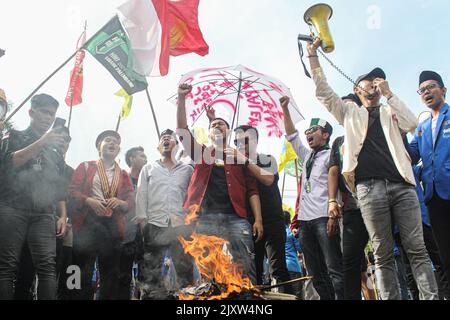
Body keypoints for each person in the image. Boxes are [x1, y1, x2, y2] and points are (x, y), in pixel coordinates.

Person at [305, 38, 438, 299]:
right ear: (358, 88)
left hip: (403, 187)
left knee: (417, 249)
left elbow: (413, 124)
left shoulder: (391, 111)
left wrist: (389, 94)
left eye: (379, 80)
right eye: (370, 80)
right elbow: (323, 92)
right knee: (382, 253)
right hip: (368, 189)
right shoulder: (350, 113)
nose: (375, 83)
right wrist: (312, 56)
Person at [176, 83, 263, 284]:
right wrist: (182, 98)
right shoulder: (200, 152)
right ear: (208, 133)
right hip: (205, 218)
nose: (217, 126)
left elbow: (252, 189)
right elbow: (181, 130)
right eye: (213, 125)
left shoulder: (239, 156)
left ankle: (248, 301)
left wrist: (257, 220)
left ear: (229, 132)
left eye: (221, 124)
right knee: (207, 272)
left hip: (237, 218)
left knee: (245, 268)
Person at [0, 93, 67, 300]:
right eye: (44, 112)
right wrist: (42, 142)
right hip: (13, 207)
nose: (48, 118)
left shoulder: (55, 151)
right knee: (7, 266)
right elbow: (9, 163)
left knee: (47, 266)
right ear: (31, 112)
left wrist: (62, 215)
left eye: (52, 114)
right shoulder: (14, 135)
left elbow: (58, 187)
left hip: (44, 213)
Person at [280, 96, 344, 300]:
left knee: (334, 268)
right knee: (316, 272)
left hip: (324, 218)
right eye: (306, 131)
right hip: (305, 222)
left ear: (325, 135)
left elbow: (336, 186)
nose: (308, 134)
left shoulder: (332, 155)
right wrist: (285, 109)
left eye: (313, 131)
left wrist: (333, 215)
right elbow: (291, 135)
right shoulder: (306, 156)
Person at [69, 130, 134, 300]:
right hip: (87, 223)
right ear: (99, 146)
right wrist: (89, 201)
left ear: (119, 149)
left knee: (111, 274)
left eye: (116, 142)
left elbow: (130, 201)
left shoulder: (124, 174)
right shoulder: (85, 166)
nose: (112, 143)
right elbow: (72, 192)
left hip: (112, 224)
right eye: (108, 140)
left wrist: (121, 203)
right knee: (79, 270)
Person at [228, 125, 293, 293]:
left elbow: (268, 180)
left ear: (255, 141)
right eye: (237, 141)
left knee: (277, 267)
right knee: (253, 270)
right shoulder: (235, 166)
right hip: (248, 223)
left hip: (272, 220)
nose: (240, 145)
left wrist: (245, 161)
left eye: (245, 140)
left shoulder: (267, 159)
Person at [135, 129, 194, 299]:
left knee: (185, 274)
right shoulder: (148, 168)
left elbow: (192, 198)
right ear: (158, 147)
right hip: (154, 225)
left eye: (171, 138)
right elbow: (141, 195)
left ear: (177, 145)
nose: (166, 139)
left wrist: (191, 223)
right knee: (151, 273)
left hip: (180, 226)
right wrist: (143, 222)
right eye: (163, 139)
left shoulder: (187, 170)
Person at [408, 71, 450, 292]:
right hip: (433, 196)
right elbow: (410, 155)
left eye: (431, 87)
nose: (426, 92)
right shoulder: (422, 128)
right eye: (422, 90)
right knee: (444, 254)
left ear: (443, 90)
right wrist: (394, 129)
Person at [118, 146, 147, 299]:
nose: (146, 158)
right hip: (125, 234)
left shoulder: (149, 180)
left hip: (144, 234)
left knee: (146, 276)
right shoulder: (120, 178)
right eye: (142, 156)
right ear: (131, 159)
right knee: (123, 275)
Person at [283, 211, 303, 298]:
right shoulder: (291, 234)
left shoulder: (276, 235)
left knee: (283, 296)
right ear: (289, 221)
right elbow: (300, 249)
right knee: (296, 296)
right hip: (293, 267)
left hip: (281, 268)